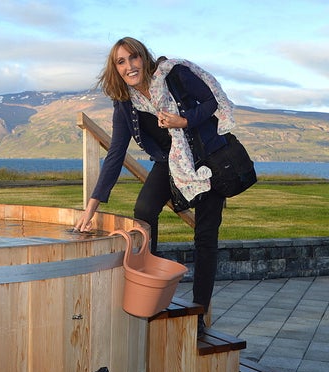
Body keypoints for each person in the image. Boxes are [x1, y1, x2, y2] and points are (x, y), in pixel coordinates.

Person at [73, 37, 236, 334]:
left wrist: (183, 121)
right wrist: (91, 206)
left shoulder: (173, 74)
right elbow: (116, 152)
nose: (129, 66)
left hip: (206, 156)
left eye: (133, 58)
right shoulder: (124, 103)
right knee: (144, 209)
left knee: (205, 236)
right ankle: (155, 291)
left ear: (143, 58)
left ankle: (199, 313)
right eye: (121, 62)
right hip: (169, 161)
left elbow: (212, 101)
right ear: (115, 69)